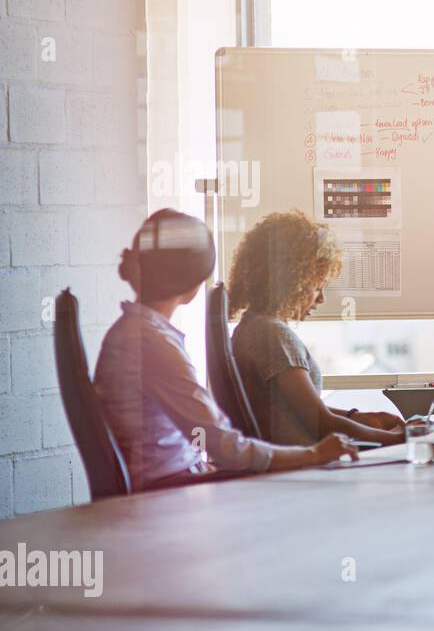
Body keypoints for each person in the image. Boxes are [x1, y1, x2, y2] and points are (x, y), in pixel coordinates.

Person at [95, 209, 359, 491]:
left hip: (174, 480)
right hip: (169, 493)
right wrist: (314, 455)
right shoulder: (155, 345)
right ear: (194, 282)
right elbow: (223, 444)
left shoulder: (130, 333)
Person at [227, 211, 404, 447]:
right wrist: (401, 439)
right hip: (301, 468)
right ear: (291, 282)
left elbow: (298, 410)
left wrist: (359, 417)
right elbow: (321, 423)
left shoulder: (250, 327)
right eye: (317, 287)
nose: (320, 299)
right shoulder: (273, 335)